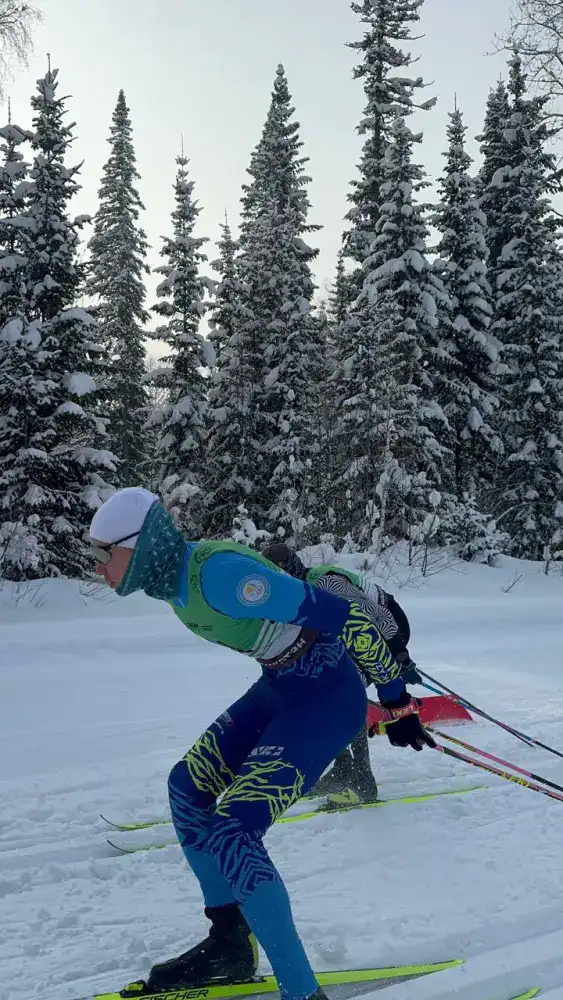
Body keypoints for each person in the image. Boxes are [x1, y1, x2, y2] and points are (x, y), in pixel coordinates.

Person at [89, 487, 435, 1000]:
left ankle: (302, 992)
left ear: (138, 546)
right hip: (282, 686)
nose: (99, 569)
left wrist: (396, 702)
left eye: (103, 555)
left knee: (233, 833)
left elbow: (348, 617)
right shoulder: (173, 581)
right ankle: (229, 943)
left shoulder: (221, 576)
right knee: (187, 787)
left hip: (326, 699)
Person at [261, 543, 422, 805]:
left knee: (345, 692)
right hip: (358, 634)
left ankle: (361, 781)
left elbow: (376, 615)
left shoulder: (324, 584)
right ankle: (344, 769)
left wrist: (400, 655)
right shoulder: (300, 594)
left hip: (389, 629)